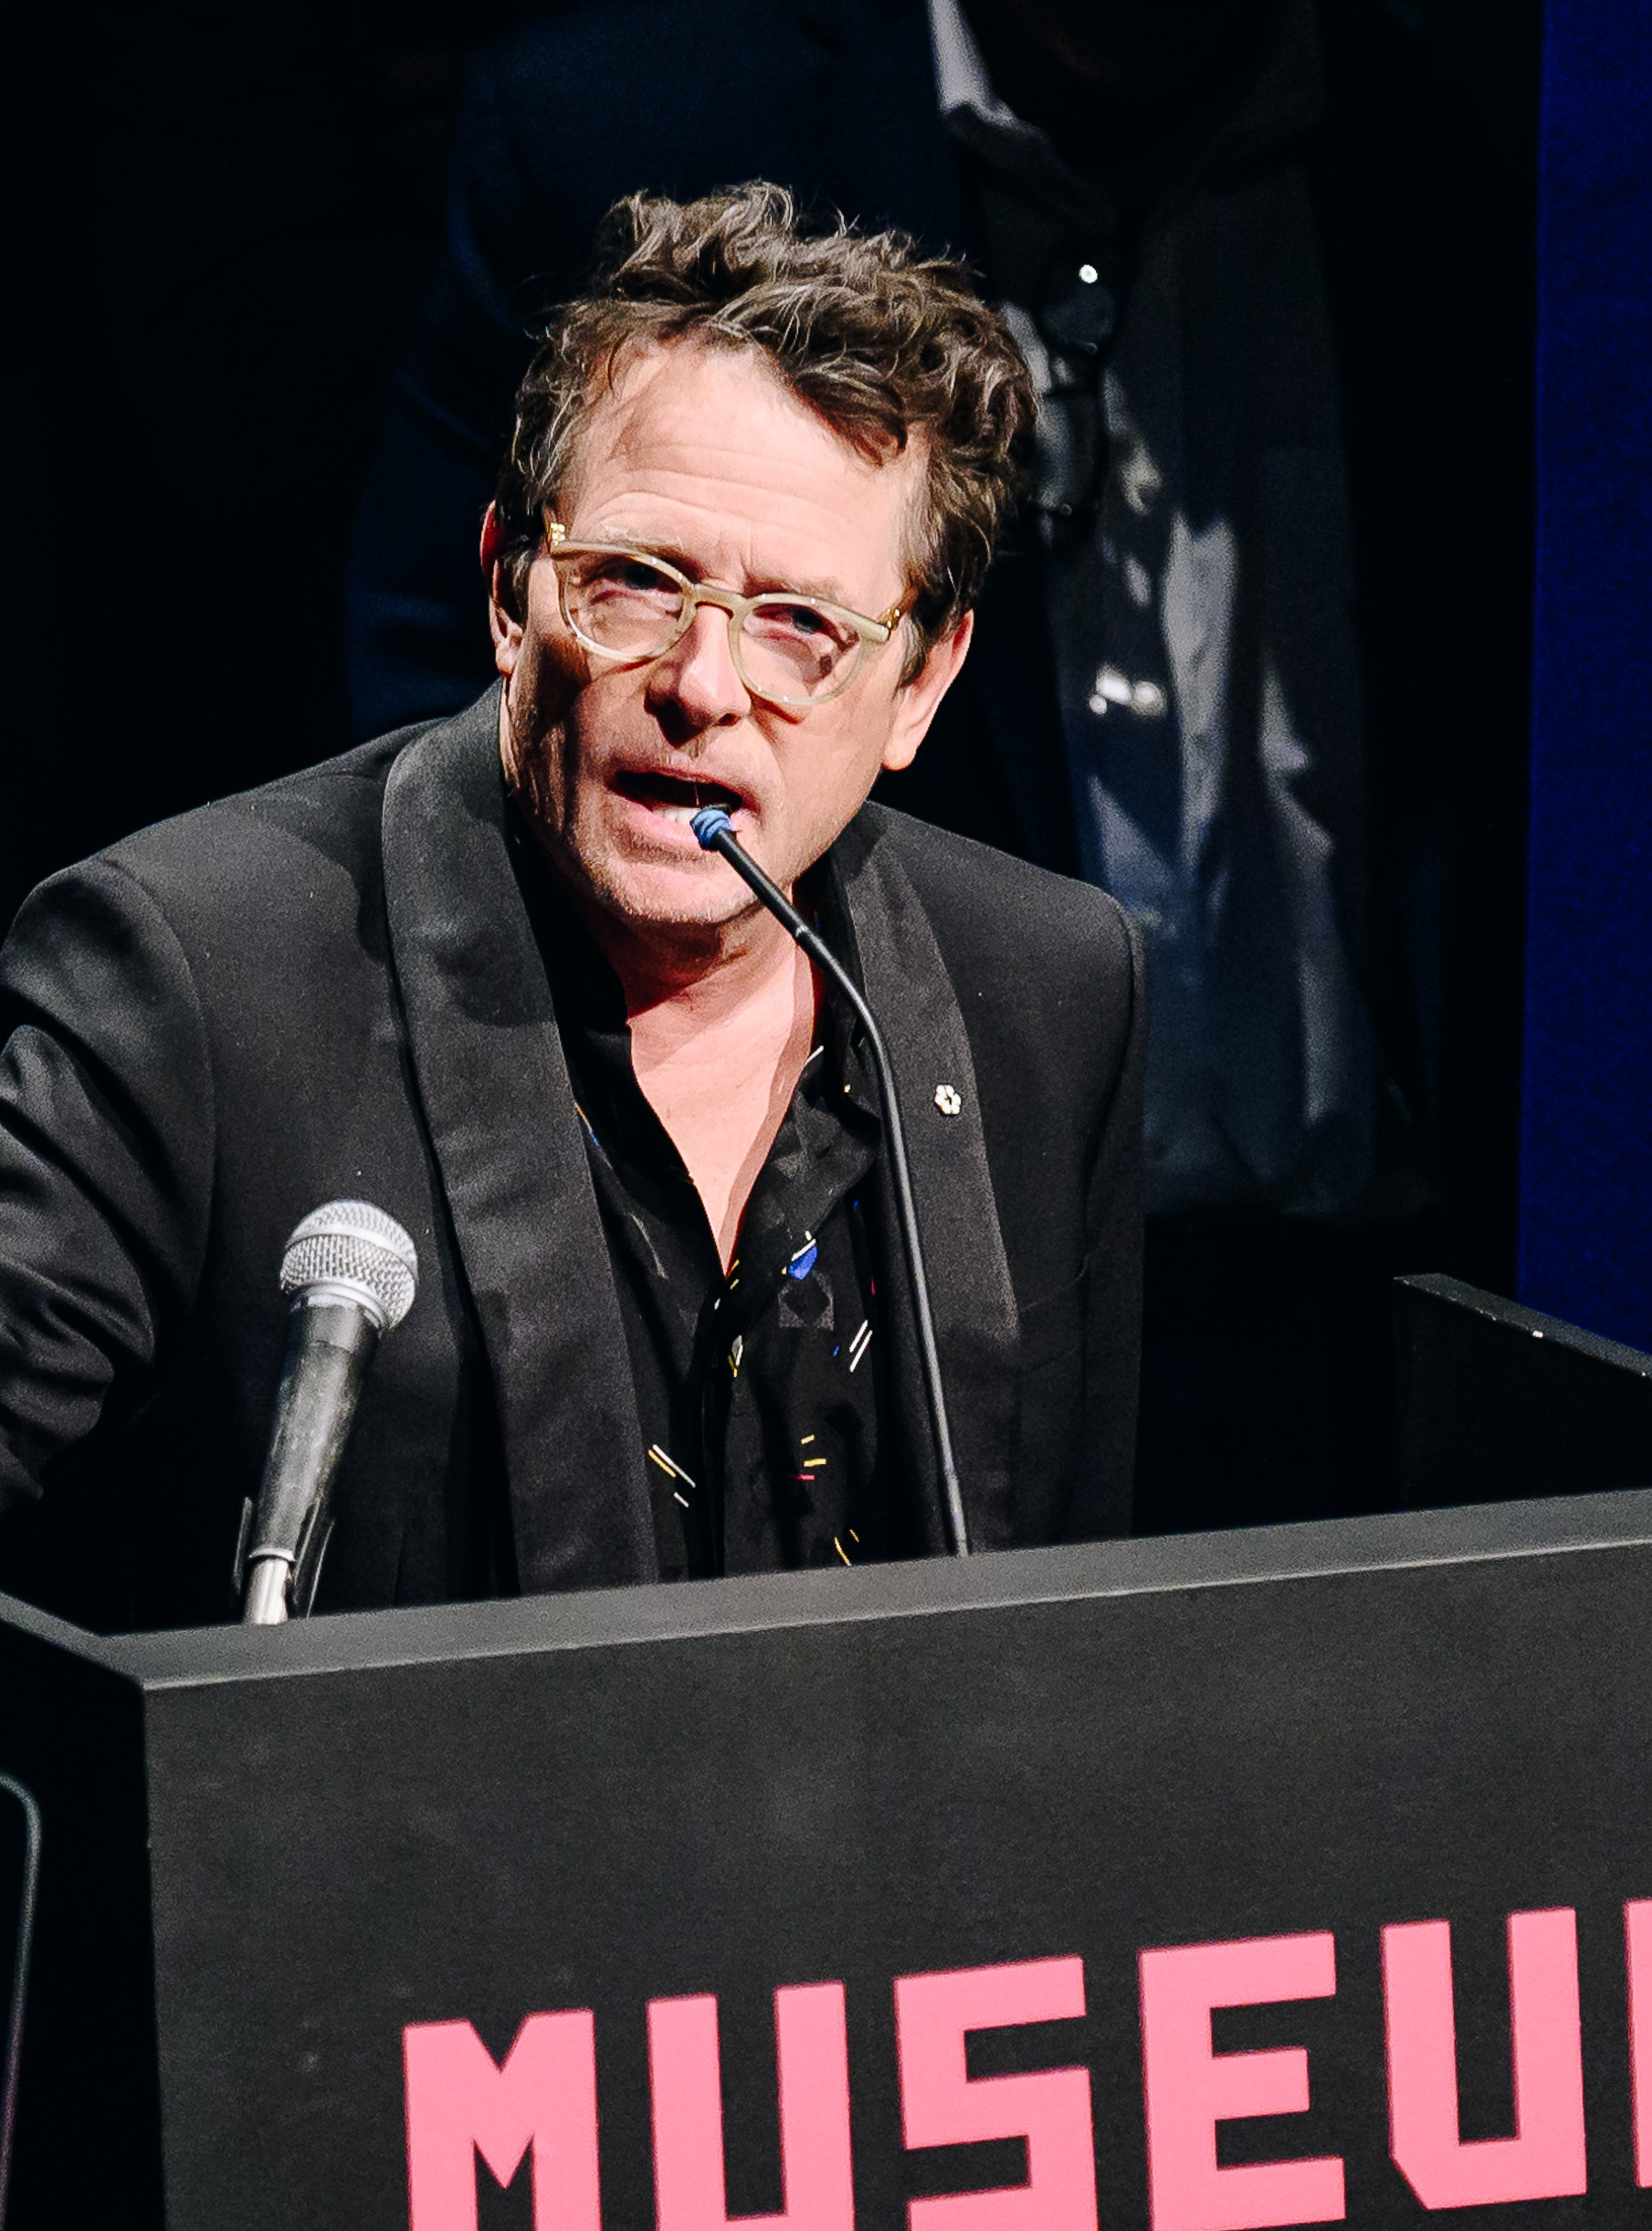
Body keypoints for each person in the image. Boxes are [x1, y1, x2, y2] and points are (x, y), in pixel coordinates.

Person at [0, 187, 1146, 1632]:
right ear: (511, 588)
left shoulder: (1043, 993)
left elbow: (1080, 1608)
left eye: (798, 625)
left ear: (921, 680)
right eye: (636, 584)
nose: (702, 686)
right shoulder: (208, 966)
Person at [345, 0, 1535, 1529]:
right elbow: (443, 709)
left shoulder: (1456, 152)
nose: (708, 680)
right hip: (833, 1337)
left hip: (1374, 1321)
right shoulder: (625, 127)